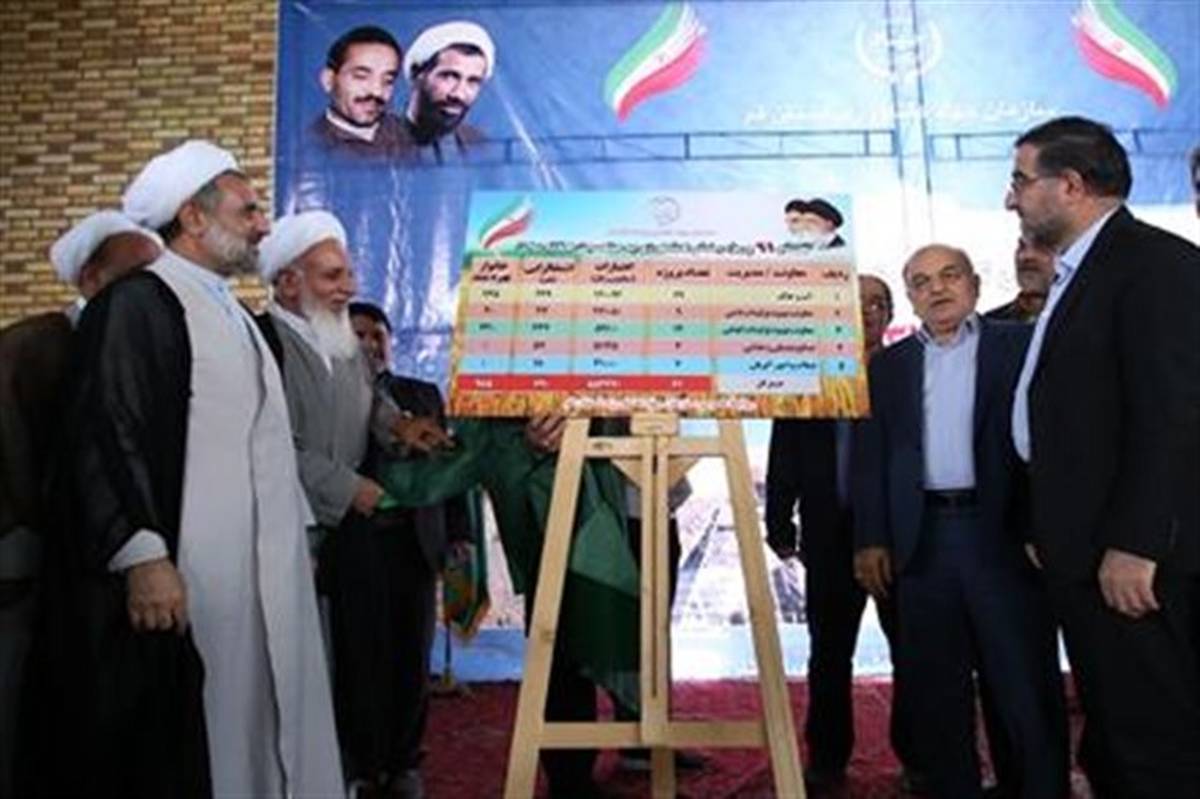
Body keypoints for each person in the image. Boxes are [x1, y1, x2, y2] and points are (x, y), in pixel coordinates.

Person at [35, 140, 343, 798]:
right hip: (197, 578)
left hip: (262, 573)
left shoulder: (234, 312)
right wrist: (142, 553)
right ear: (193, 217)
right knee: (211, 734)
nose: (262, 224)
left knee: (268, 726)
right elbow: (105, 431)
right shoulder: (140, 302)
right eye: (248, 210)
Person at [1007, 116, 1200, 798]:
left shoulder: (1155, 267)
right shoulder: (1082, 269)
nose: (1010, 197)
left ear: (1070, 184)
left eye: (1021, 180)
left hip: (1130, 564)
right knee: (1116, 736)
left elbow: (1171, 417)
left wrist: (1137, 542)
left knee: (1157, 745)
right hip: (1083, 552)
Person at [854, 244, 1068, 799]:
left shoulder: (1020, 346)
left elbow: (1054, 442)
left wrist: (1043, 525)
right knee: (936, 695)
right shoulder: (890, 368)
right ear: (911, 298)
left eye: (949, 276)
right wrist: (871, 538)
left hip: (1003, 538)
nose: (938, 289)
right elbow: (871, 458)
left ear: (974, 284)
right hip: (922, 544)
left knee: (1022, 685)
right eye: (922, 282)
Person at [257, 214, 451, 799]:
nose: (348, 287)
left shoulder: (344, 341)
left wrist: (404, 430)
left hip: (342, 534)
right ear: (288, 283)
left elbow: (375, 409)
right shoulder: (263, 345)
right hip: (289, 530)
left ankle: (358, 770)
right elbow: (273, 445)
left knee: (360, 657)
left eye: (348, 274)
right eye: (332, 276)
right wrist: (349, 487)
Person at [0, 211, 159, 797]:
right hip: (32, 569)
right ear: (90, 279)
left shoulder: (145, 349)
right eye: (135, 277)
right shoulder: (32, 345)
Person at [765, 274, 919, 792]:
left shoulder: (908, 372)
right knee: (829, 653)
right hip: (829, 534)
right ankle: (827, 760)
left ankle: (917, 758)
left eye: (878, 303)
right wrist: (779, 517)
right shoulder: (808, 376)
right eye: (857, 303)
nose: (867, 312)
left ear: (890, 313)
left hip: (899, 537)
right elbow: (785, 449)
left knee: (911, 652)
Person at [309, 25, 410, 158]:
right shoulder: (309, 147)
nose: (377, 92)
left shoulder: (408, 135)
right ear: (328, 81)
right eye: (361, 77)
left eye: (387, 81)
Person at [401, 20, 495, 162]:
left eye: (473, 81)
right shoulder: (376, 144)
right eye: (449, 77)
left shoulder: (479, 146)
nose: (459, 94)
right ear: (417, 74)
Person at [984, 236, 1056, 323]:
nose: (1026, 256)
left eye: (1041, 248)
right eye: (1022, 246)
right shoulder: (991, 323)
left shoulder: (1070, 320)